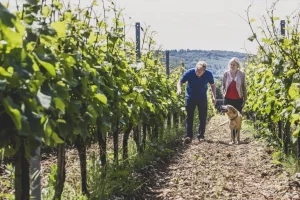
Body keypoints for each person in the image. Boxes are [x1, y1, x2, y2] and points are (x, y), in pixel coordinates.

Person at [177, 61, 216, 143]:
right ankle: (188, 136)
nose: (197, 72)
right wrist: (179, 89)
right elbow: (180, 82)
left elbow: (212, 85)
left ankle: (201, 136)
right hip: (190, 97)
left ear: (204, 71)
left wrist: (214, 96)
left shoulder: (208, 74)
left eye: (200, 71)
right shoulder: (190, 72)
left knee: (202, 117)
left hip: (202, 98)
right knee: (189, 117)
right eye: (197, 70)